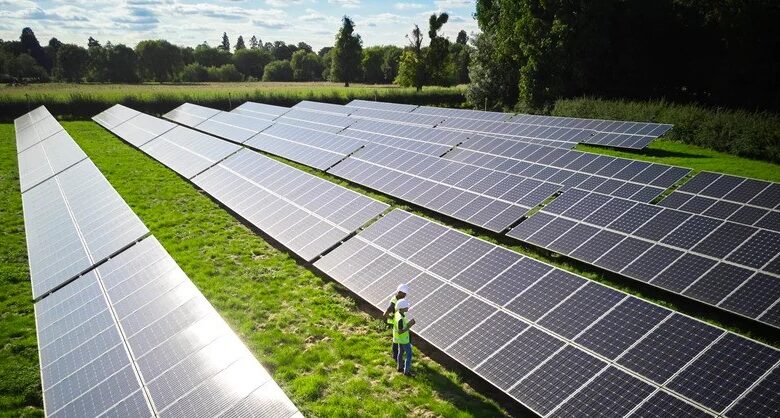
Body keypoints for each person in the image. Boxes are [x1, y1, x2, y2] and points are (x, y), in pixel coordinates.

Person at [384, 283, 408, 360]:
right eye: (404, 294)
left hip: (397, 321)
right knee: (396, 339)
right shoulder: (393, 302)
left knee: (397, 339)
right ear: (399, 292)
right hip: (395, 322)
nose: (405, 296)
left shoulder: (398, 298)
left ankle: (398, 354)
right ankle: (395, 356)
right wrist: (393, 318)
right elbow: (385, 314)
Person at [393, 298, 416, 376]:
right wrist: (410, 325)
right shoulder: (400, 319)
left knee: (401, 352)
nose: (408, 308)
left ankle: (399, 367)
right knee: (409, 354)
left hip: (399, 339)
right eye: (406, 307)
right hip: (404, 339)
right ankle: (406, 372)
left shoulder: (398, 313)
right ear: (402, 308)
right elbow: (400, 331)